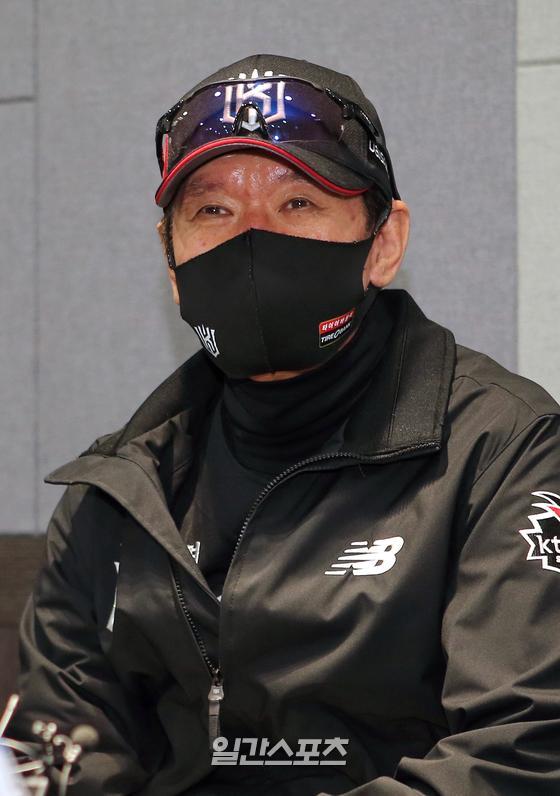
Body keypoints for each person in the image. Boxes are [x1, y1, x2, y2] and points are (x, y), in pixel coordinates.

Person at [7, 53, 560, 796]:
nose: (251, 239)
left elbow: (523, 753)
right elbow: (56, 762)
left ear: (384, 243)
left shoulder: (506, 453)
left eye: (298, 202)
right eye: (212, 211)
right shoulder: (118, 494)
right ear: (171, 264)